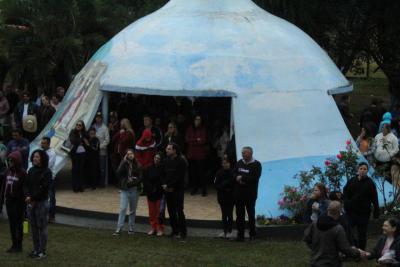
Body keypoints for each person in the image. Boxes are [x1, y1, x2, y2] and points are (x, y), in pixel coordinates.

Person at [303, 201, 360, 267]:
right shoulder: (338, 228)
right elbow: (345, 249)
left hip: (315, 262)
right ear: (339, 212)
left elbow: (306, 238)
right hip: (332, 263)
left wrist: (315, 249)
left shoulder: (315, 223)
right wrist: (357, 252)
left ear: (328, 210)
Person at [343, 162, 379, 250]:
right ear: (358, 170)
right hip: (351, 212)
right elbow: (345, 192)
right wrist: (346, 203)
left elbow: (374, 198)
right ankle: (351, 248)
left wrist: (376, 213)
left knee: (362, 234)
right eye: (361, 169)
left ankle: (361, 252)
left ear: (367, 171)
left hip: (363, 213)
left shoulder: (370, 183)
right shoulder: (352, 180)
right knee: (347, 231)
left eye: (365, 169)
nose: (362, 170)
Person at [24, 149, 52, 259]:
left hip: (41, 203)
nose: (35, 158)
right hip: (31, 202)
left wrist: (32, 198)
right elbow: (26, 185)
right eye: (34, 156)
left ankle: (42, 251)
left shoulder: (47, 172)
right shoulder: (31, 170)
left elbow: (44, 189)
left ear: (42, 158)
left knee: (42, 227)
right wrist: (27, 196)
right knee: (34, 227)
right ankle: (36, 249)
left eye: (37, 157)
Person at [0, 151, 27, 253]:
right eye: (9, 160)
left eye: (12, 160)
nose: (10, 162)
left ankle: (19, 246)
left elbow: (25, 188)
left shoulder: (23, 173)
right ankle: (13, 244)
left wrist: (25, 202)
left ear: (17, 161)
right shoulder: (7, 171)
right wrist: (2, 199)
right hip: (9, 201)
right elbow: (4, 186)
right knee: (11, 223)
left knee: (18, 224)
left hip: (19, 202)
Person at [234, 146, 262, 241]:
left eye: (244, 153)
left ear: (250, 154)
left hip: (250, 195)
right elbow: (233, 174)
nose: (242, 154)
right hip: (239, 194)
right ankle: (240, 235)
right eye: (242, 153)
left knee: (251, 215)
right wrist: (236, 178)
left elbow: (254, 177)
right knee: (239, 216)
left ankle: (252, 234)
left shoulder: (257, 165)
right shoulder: (239, 163)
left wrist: (241, 178)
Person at [162, 143, 187, 240]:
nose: (166, 150)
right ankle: (175, 231)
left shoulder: (181, 161)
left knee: (179, 211)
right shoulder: (165, 161)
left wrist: (169, 185)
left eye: (169, 149)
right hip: (168, 190)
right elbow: (163, 174)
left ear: (174, 150)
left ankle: (183, 233)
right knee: (171, 211)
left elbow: (180, 177)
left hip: (178, 190)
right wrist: (165, 185)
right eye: (166, 149)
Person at [113, 149, 142, 235]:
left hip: (134, 189)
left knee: (132, 210)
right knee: (123, 208)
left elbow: (140, 177)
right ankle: (119, 228)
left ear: (134, 154)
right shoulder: (123, 163)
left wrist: (133, 182)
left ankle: (131, 228)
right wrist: (123, 162)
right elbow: (118, 174)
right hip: (124, 189)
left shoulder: (137, 164)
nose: (130, 155)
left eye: (131, 153)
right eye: (128, 154)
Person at [185, 115, 208, 196]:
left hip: (200, 154)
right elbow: (187, 140)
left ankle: (203, 189)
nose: (198, 121)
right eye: (196, 119)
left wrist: (194, 141)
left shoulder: (203, 129)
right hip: (191, 154)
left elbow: (203, 141)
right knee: (193, 173)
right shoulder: (190, 128)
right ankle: (195, 188)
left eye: (199, 119)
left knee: (201, 172)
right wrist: (196, 140)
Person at [143, 153, 164, 236]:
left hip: (159, 193)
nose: (156, 159)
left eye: (158, 158)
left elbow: (162, 180)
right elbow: (146, 179)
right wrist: (150, 188)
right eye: (155, 157)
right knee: (152, 212)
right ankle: (153, 228)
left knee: (159, 212)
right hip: (150, 193)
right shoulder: (149, 168)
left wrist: (156, 187)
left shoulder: (163, 168)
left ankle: (160, 228)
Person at [214, 157, 235, 239]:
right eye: (223, 163)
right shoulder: (219, 172)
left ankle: (229, 231)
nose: (225, 164)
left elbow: (233, 183)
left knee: (229, 214)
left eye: (226, 163)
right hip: (222, 196)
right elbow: (216, 184)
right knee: (224, 214)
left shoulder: (233, 172)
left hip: (231, 197)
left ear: (229, 163)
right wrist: (222, 186)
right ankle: (224, 231)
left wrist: (225, 185)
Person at [68, 120, 88, 192]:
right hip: (75, 153)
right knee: (75, 170)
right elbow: (73, 140)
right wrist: (82, 140)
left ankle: (81, 186)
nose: (78, 126)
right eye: (77, 125)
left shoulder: (84, 133)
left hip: (83, 153)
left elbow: (87, 142)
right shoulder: (73, 132)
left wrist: (82, 141)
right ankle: (75, 187)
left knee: (81, 170)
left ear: (82, 126)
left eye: (80, 125)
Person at [40, 137, 56, 223]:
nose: (42, 145)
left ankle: (51, 216)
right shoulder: (41, 152)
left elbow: (47, 166)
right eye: (42, 143)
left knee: (51, 197)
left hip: (50, 178)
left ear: (48, 144)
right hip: (41, 177)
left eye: (44, 143)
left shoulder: (52, 153)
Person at [92, 112, 110, 187]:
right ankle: (95, 182)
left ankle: (101, 183)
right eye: (97, 117)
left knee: (102, 168)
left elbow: (107, 140)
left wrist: (100, 146)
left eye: (99, 117)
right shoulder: (93, 126)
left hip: (101, 151)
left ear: (102, 119)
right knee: (94, 167)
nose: (98, 119)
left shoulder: (105, 128)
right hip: (93, 151)